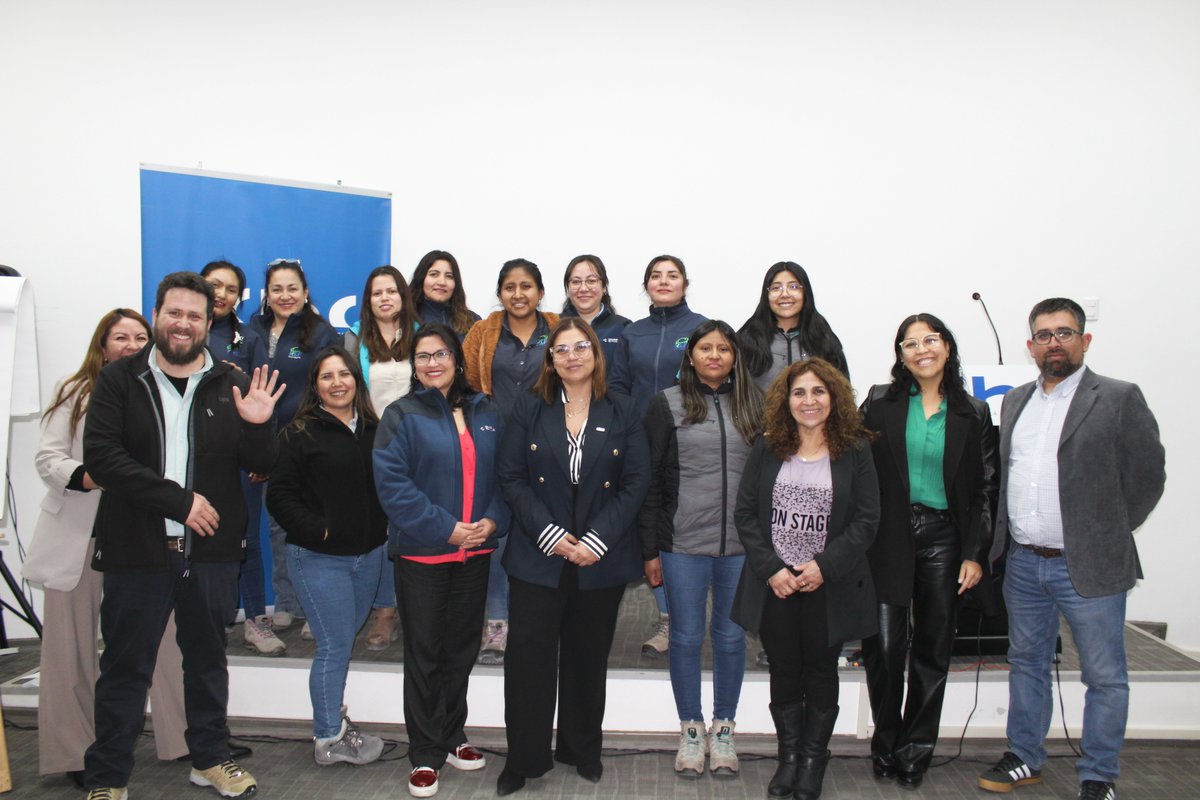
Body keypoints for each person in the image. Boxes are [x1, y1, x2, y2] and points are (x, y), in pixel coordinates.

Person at [81, 272, 282, 800]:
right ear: (156, 315)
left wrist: (261, 425)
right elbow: (103, 458)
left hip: (211, 554)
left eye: (195, 315)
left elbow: (261, 465)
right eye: (175, 312)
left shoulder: (231, 380)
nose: (184, 323)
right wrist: (180, 501)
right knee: (125, 668)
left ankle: (210, 759)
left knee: (208, 663)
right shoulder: (119, 380)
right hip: (136, 551)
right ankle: (107, 778)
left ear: (208, 321)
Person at [978, 298, 1165, 800]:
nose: (1053, 342)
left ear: (1085, 340)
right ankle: (1025, 757)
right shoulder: (1016, 401)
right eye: (1043, 334)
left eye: (1064, 333)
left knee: (1105, 676)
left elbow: (1148, 476)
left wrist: (1107, 531)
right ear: (1030, 345)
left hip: (1089, 565)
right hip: (1023, 562)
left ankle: (1099, 775)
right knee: (1027, 663)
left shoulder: (1119, 398)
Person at [22, 310, 189, 785]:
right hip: (81, 534)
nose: (132, 344)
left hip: (145, 536)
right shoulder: (75, 391)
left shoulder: (163, 392)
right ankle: (75, 753)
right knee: (70, 648)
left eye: (140, 336)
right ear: (102, 345)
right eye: (121, 337)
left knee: (165, 641)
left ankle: (181, 738)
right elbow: (48, 455)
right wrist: (90, 477)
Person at [495, 318, 650, 796]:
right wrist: (551, 534)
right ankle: (525, 757)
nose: (572, 356)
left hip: (598, 557)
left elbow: (636, 481)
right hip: (539, 555)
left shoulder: (623, 408)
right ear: (550, 360)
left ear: (595, 354)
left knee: (588, 658)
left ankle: (582, 749)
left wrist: (596, 540)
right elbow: (512, 476)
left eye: (581, 346)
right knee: (528, 662)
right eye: (561, 349)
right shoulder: (528, 407)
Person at [859, 313, 999, 789]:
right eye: (910, 342)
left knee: (932, 649)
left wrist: (975, 554)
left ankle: (915, 750)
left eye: (930, 340)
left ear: (947, 348)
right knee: (883, 648)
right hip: (886, 538)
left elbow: (984, 492)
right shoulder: (879, 402)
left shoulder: (974, 413)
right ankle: (887, 741)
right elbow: (854, 468)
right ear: (900, 355)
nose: (921, 349)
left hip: (944, 539)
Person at [731, 358, 880, 800]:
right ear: (786, 400)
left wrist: (824, 566)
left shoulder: (855, 449)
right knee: (784, 669)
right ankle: (789, 758)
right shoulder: (769, 444)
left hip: (826, 583)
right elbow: (745, 514)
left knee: (819, 671)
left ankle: (813, 760)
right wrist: (772, 569)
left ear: (833, 398)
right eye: (799, 392)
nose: (809, 401)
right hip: (776, 582)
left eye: (818, 392)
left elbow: (867, 520)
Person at [373, 322, 510, 798]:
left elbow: (506, 477)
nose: (432, 363)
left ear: (457, 358)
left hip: (476, 553)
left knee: (460, 651)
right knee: (425, 655)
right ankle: (425, 752)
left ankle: (454, 737)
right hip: (424, 555)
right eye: (423, 356)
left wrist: (491, 522)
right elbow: (393, 486)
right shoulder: (401, 414)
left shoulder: (486, 410)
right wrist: (445, 527)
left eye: (440, 354)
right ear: (414, 365)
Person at [639, 320, 764, 777]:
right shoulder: (665, 405)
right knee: (687, 638)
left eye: (723, 349)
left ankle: (724, 729)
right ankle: (692, 730)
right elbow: (649, 483)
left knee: (732, 639)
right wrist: (650, 549)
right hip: (682, 544)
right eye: (705, 348)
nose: (714, 355)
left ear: (735, 356)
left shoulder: (756, 405)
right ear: (690, 356)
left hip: (742, 546)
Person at [265, 346, 388, 767]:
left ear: (357, 379)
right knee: (335, 645)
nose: (337, 383)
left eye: (344, 374)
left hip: (368, 556)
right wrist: (318, 531)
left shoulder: (375, 428)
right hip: (318, 558)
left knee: (343, 638)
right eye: (326, 376)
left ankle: (333, 723)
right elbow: (279, 497)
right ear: (315, 385)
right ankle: (327, 736)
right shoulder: (298, 433)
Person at [462, 258, 559, 665]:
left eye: (526, 286)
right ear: (500, 293)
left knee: (547, 529)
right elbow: (465, 383)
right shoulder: (483, 332)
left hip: (550, 446)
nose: (518, 294)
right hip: (495, 446)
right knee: (498, 534)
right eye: (509, 287)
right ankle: (498, 623)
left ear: (540, 291)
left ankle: (544, 622)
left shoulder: (558, 328)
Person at [609, 254, 707, 657]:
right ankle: (667, 619)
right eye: (656, 276)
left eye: (672, 275)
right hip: (639, 442)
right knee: (647, 529)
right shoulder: (634, 332)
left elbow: (713, 378)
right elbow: (616, 384)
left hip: (686, 442)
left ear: (685, 283)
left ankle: (688, 619)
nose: (664, 281)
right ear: (646, 285)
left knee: (678, 529)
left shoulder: (700, 327)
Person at [247, 258, 339, 632]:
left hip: (306, 444)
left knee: (312, 527)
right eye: (277, 289)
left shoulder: (321, 333)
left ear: (304, 292)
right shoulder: (251, 330)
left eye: (292, 288)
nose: (285, 296)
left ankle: (315, 608)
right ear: (266, 295)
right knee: (277, 528)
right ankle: (286, 602)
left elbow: (331, 389)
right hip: (262, 447)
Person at [201, 260, 284, 657]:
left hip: (239, 456)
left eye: (231, 289)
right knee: (198, 538)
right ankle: (207, 620)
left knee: (247, 537)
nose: (221, 294)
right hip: (193, 458)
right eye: (214, 285)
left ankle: (256, 621)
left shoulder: (247, 339)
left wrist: (260, 455)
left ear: (240, 296)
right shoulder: (181, 335)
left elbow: (261, 401)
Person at [344, 265, 418, 652]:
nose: (385, 298)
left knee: (412, 527)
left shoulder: (421, 336)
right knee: (378, 531)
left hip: (417, 446)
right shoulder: (354, 339)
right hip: (371, 445)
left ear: (403, 296)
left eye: (391, 291)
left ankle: (409, 608)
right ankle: (383, 610)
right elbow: (345, 394)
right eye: (377, 293)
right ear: (368, 300)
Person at [739, 261, 849, 393]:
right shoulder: (748, 339)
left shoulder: (823, 338)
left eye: (794, 287)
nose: (784, 294)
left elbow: (843, 391)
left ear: (805, 292)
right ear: (766, 295)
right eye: (776, 288)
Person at [559, 254, 630, 365]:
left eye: (591, 281)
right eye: (576, 282)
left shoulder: (623, 327)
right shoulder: (554, 325)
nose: (583, 289)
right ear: (568, 288)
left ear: (604, 287)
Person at [410, 250, 480, 337]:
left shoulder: (473, 322)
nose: (442, 282)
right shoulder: (406, 320)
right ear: (421, 278)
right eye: (434, 274)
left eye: (449, 276)